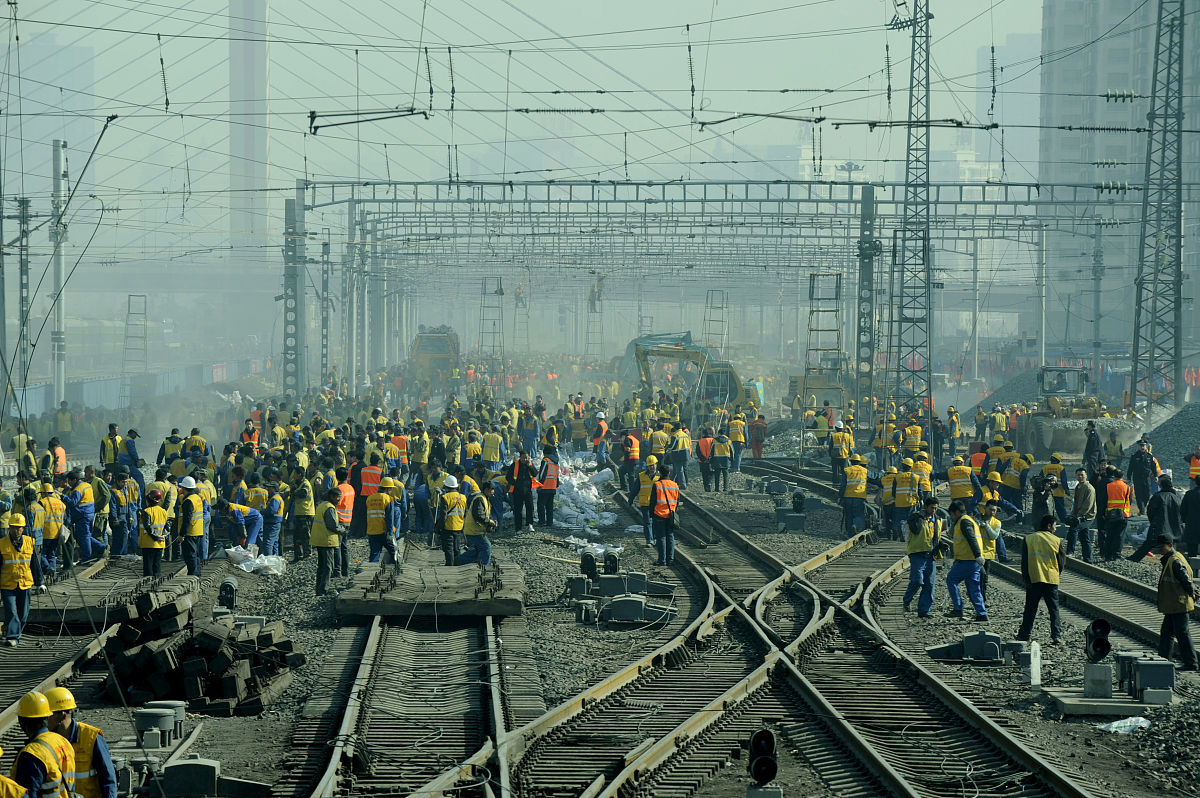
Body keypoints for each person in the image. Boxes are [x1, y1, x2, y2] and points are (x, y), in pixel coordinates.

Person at [45, 686, 117, 798]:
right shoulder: (47, 741)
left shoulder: (92, 737)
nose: (44, 720)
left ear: (62, 715)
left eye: (48, 716)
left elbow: (108, 779)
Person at [11, 691, 74, 798]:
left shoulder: (31, 754)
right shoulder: (62, 741)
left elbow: (28, 793)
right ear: (47, 717)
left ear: (21, 722)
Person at [1016, 515, 1067, 645]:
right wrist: (1056, 573)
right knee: (1054, 609)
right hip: (1051, 579)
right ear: (1049, 526)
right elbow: (1062, 562)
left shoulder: (1029, 539)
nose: (1055, 529)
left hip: (1034, 578)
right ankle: (1056, 636)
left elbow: (1024, 562)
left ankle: (1024, 635)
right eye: (1055, 526)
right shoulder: (1057, 541)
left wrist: (1026, 579)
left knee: (1030, 609)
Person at [1153, 532, 1198, 671]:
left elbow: (1185, 579)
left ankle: (1191, 664)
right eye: (1158, 547)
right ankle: (1164, 660)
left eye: (1162, 547)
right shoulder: (1170, 559)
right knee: (1167, 633)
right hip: (1173, 605)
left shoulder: (1175, 561)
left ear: (1170, 545)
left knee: (1182, 634)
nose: (1159, 549)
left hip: (1179, 604)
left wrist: (1193, 592)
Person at [0, 514, 44, 646]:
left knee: (23, 614)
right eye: (14, 528)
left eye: (19, 528)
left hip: (25, 583)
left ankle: (14, 631)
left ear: (23, 528)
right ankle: (13, 636)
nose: (16, 530)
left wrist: (40, 582)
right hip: (7, 584)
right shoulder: (2, 544)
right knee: (12, 611)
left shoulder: (30, 542)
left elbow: (35, 564)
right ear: (9, 528)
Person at [945, 499, 988, 621]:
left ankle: (958, 608)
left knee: (951, 579)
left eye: (952, 514)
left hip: (967, 560)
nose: (952, 517)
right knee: (973, 587)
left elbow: (971, 538)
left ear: (957, 512)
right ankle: (982, 613)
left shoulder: (964, 522)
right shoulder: (969, 520)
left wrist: (977, 554)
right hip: (974, 561)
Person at [1129, 474, 1183, 562]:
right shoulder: (1177, 497)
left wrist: (1153, 522)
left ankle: (1134, 559)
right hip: (1174, 526)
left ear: (1161, 485)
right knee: (1170, 545)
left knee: (1149, 543)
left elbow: (1150, 511)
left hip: (1159, 526)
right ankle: (1174, 560)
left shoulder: (1157, 496)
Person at [903, 497, 942, 618]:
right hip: (917, 553)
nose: (934, 510)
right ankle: (907, 600)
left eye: (936, 508)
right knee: (917, 580)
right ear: (926, 506)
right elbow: (912, 530)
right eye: (932, 508)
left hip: (931, 555)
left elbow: (936, 537)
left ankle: (924, 610)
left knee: (929, 584)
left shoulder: (937, 520)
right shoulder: (916, 517)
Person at [311, 488, 344, 596]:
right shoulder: (329, 508)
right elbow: (332, 525)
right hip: (326, 540)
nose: (339, 499)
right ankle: (324, 589)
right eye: (337, 497)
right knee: (328, 566)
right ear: (332, 497)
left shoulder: (322, 504)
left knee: (321, 566)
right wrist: (343, 530)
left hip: (319, 539)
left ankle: (319, 589)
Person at [461, 481, 498, 566]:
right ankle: (484, 566)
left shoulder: (484, 499)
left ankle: (459, 560)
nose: (493, 492)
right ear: (486, 490)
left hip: (474, 529)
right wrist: (489, 521)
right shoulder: (480, 499)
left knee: (476, 551)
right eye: (492, 489)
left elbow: (484, 514)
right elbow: (478, 515)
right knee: (486, 547)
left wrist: (491, 521)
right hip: (474, 530)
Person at [175, 476, 206, 577]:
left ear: (184, 488)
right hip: (197, 531)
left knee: (190, 556)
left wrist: (182, 534)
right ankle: (197, 575)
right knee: (195, 555)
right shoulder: (197, 498)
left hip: (190, 533)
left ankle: (193, 576)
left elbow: (186, 520)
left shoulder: (188, 501)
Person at [1100, 468, 1132, 560]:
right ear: (1123, 476)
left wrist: (1102, 513)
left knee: (1109, 534)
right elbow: (1130, 501)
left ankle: (1107, 555)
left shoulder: (1108, 486)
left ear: (1114, 476)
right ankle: (1116, 554)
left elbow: (1104, 501)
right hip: (1123, 514)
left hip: (1110, 514)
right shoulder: (1127, 487)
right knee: (1119, 535)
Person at [651, 463, 680, 566]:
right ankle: (670, 560)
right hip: (671, 514)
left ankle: (662, 560)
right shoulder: (675, 485)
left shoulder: (657, 485)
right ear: (669, 473)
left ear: (660, 473)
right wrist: (673, 511)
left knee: (661, 537)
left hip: (659, 514)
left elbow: (652, 502)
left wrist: (651, 514)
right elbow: (677, 501)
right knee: (670, 536)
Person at [1066, 467, 1097, 563]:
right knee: (1084, 538)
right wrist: (1072, 514)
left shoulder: (1089, 488)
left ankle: (1070, 552)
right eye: (1078, 475)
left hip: (1087, 516)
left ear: (1086, 476)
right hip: (1079, 516)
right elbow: (1075, 503)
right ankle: (1088, 559)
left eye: (1082, 475)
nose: (1080, 477)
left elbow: (1088, 504)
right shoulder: (1078, 487)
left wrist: (1078, 516)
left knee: (1073, 529)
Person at [365, 477, 398, 564]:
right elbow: (389, 518)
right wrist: (390, 533)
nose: (391, 491)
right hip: (383, 531)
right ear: (387, 488)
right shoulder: (387, 499)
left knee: (375, 553)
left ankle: (371, 570)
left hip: (372, 531)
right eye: (391, 489)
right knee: (394, 552)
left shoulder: (369, 499)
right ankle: (398, 568)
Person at [435, 475, 467, 565]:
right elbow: (465, 513)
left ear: (446, 487)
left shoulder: (445, 497)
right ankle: (457, 564)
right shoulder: (463, 497)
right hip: (459, 527)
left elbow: (443, 516)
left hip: (448, 527)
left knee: (448, 548)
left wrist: (438, 529)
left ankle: (449, 566)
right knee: (457, 548)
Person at [505, 452, 536, 533]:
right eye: (523, 458)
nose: (525, 459)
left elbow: (535, 473)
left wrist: (530, 466)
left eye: (527, 457)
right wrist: (515, 483)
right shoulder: (514, 465)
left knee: (530, 508)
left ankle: (530, 524)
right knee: (518, 510)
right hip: (517, 491)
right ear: (520, 457)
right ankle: (518, 528)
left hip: (528, 490)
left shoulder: (529, 464)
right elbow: (508, 477)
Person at [139, 489, 168, 577]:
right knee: (157, 565)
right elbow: (167, 527)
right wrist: (163, 536)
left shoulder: (147, 511)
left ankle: (148, 585)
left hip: (148, 543)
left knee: (148, 568)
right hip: (160, 544)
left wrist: (156, 537)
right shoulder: (163, 511)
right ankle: (157, 583)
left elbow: (147, 527)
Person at [840, 454, 868, 536]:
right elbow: (875, 478)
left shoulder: (847, 470)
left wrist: (840, 497)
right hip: (859, 497)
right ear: (859, 462)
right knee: (859, 515)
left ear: (851, 462)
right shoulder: (865, 471)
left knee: (848, 515)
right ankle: (855, 525)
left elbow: (843, 486)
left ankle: (849, 533)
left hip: (848, 497)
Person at [1127, 440, 1157, 515]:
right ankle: (1142, 510)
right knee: (1139, 495)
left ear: (1146, 446)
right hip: (1137, 478)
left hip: (1146, 478)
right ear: (1138, 446)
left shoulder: (1150, 456)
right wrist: (1128, 478)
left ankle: (1143, 507)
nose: (1142, 447)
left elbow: (1153, 466)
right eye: (1141, 445)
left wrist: (1155, 475)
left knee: (1147, 494)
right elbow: (1130, 468)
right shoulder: (1134, 456)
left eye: (1143, 445)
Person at [536, 455, 559, 528]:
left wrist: (540, 484)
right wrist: (556, 485)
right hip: (552, 487)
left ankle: (541, 522)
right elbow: (557, 475)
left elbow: (542, 473)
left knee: (541, 505)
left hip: (545, 486)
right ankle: (550, 522)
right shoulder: (555, 463)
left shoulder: (546, 461)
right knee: (549, 506)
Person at [828, 420, 852, 485]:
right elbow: (849, 446)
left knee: (835, 471)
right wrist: (849, 454)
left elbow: (831, 446)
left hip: (835, 456)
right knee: (844, 472)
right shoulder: (847, 435)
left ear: (836, 428)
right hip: (844, 456)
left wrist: (830, 454)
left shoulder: (833, 435)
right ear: (842, 428)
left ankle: (835, 483)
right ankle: (844, 483)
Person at [1182, 475, 1200, 558]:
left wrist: (1184, 520)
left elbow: (1183, 510)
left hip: (1192, 525)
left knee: (1192, 553)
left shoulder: (1189, 494)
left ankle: (1192, 569)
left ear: (1195, 483)